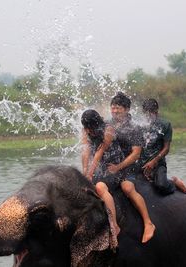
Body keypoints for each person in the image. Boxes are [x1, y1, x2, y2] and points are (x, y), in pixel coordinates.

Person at [105, 92, 155, 243]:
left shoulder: (134, 128)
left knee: (127, 188)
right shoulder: (108, 125)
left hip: (129, 167)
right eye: (112, 107)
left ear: (127, 109)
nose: (114, 111)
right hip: (111, 165)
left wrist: (118, 167)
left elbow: (136, 154)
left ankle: (148, 222)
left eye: (118, 108)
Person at [81, 109, 122, 238]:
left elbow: (99, 152)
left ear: (96, 123)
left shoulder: (108, 130)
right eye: (85, 127)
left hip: (113, 167)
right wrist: (84, 173)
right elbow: (86, 151)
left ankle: (114, 225)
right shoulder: (86, 130)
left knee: (100, 187)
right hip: (99, 168)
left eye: (89, 127)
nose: (87, 130)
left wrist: (90, 174)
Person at [140, 98, 186, 195]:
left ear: (156, 112)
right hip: (141, 162)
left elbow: (166, 149)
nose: (148, 116)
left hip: (158, 163)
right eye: (146, 113)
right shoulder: (140, 125)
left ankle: (173, 183)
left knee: (161, 185)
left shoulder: (165, 125)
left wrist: (153, 162)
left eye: (150, 113)